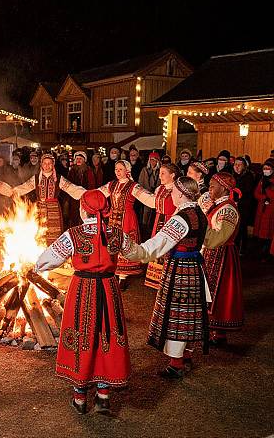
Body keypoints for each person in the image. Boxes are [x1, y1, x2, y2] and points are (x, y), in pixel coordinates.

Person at [35, 189, 131, 414]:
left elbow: (48, 259)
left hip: (83, 291)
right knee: (106, 335)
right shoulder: (115, 233)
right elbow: (135, 252)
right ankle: (103, 395)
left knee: (82, 336)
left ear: (83, 210)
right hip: (108, 289)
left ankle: (80, 397)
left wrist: (36, 265)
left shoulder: (73, 234)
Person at [122, 177, 210, 378]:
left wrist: (129, 249)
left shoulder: (181, 218)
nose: (170, 195)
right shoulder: (199, 212)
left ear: (181, 193)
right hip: (194, 268)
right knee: (190, 312)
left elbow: (156, 245)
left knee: (177, 314)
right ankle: (186, 357)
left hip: (180, 269)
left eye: (173, 192)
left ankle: (176, 364)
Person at [200, 172, 243, 346]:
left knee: (220, 292)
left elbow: (220, 236)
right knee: (209, 290)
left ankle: (218, 332)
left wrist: (199, 230)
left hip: (222, 255)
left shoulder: (228, 209)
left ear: (224, 188)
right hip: (212, 252)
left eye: (212, 184)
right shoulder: (218, 205)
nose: (209, 187)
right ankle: (211, 328)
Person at [12, 153, 86, 245]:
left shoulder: (58, 178)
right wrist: (12, 192)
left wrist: (86, 193)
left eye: (49, 163)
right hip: (39, 208)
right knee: (39, 233)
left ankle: (53, 254)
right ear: (41, 164)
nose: (47, 166)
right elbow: (24, 187)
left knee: (54, 234)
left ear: (53, 164)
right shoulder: (36, 178)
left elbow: (72, 188)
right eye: (45, 163)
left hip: (54, 209)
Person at [134, 163, 180, 289]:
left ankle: (168, 280)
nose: (160, 176)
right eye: (159, 173)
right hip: (158, 220)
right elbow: (152, 202)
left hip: (172, 222)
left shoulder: (178, 189)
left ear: (173, 175)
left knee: (169, 249)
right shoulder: (160, 189)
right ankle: (156, 279)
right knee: (157, 246)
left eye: (163, 173)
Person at [97, 160, 142, 290]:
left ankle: (123, 276)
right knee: (113, 243)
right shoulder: (112, 184)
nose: (117, 172)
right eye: (116, 169)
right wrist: (87, 196)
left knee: (124, 243)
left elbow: (147, 197)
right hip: (113, 218)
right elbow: (99, 193)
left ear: (127, 171)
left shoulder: (133, 186)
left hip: (127, 218)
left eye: (120, 169)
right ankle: (115, 272)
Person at [233, 157, 256, 255]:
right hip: (234, 204)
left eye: (239, 164)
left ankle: (242, 249)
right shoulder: (233, 175)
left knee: (242, 228)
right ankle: (235, 247)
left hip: (244, 206)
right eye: (235, 164)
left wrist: (238, 201)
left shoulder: (248, 176)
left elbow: (247, 191)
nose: (237, 166)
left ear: (244, 166)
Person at [67, 151, 96, 227]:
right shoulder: (72, 171)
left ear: (84, 160)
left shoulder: (89, 171)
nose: (78, 160)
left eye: (80, 159)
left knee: (85, 217)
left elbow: (91, 185)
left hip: (85, 198)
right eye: (77, 159)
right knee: (74, 218)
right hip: (74, 199)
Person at [253, 159, 274, 261]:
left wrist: (266, 191)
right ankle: (260, 252)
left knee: (268, 232)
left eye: (268, 169)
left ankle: (266, 253)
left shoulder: (271, 181)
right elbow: (256, 193)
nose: (266, 170)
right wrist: (263, 198)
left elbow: (272, 196)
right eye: (264, 168)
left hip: (270, 210)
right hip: (261, 209)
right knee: (260, 232)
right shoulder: (262, 180)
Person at [138, 152, 161, 235]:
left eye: (154, 160)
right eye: (151, 160)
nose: (152, 162)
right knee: (146, 212)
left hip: (156, 194)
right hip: (146, 194)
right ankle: (144, 228)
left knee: (154, 213)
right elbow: (140, 182)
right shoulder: (145, 170)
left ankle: (152, 229)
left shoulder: (160, 171)